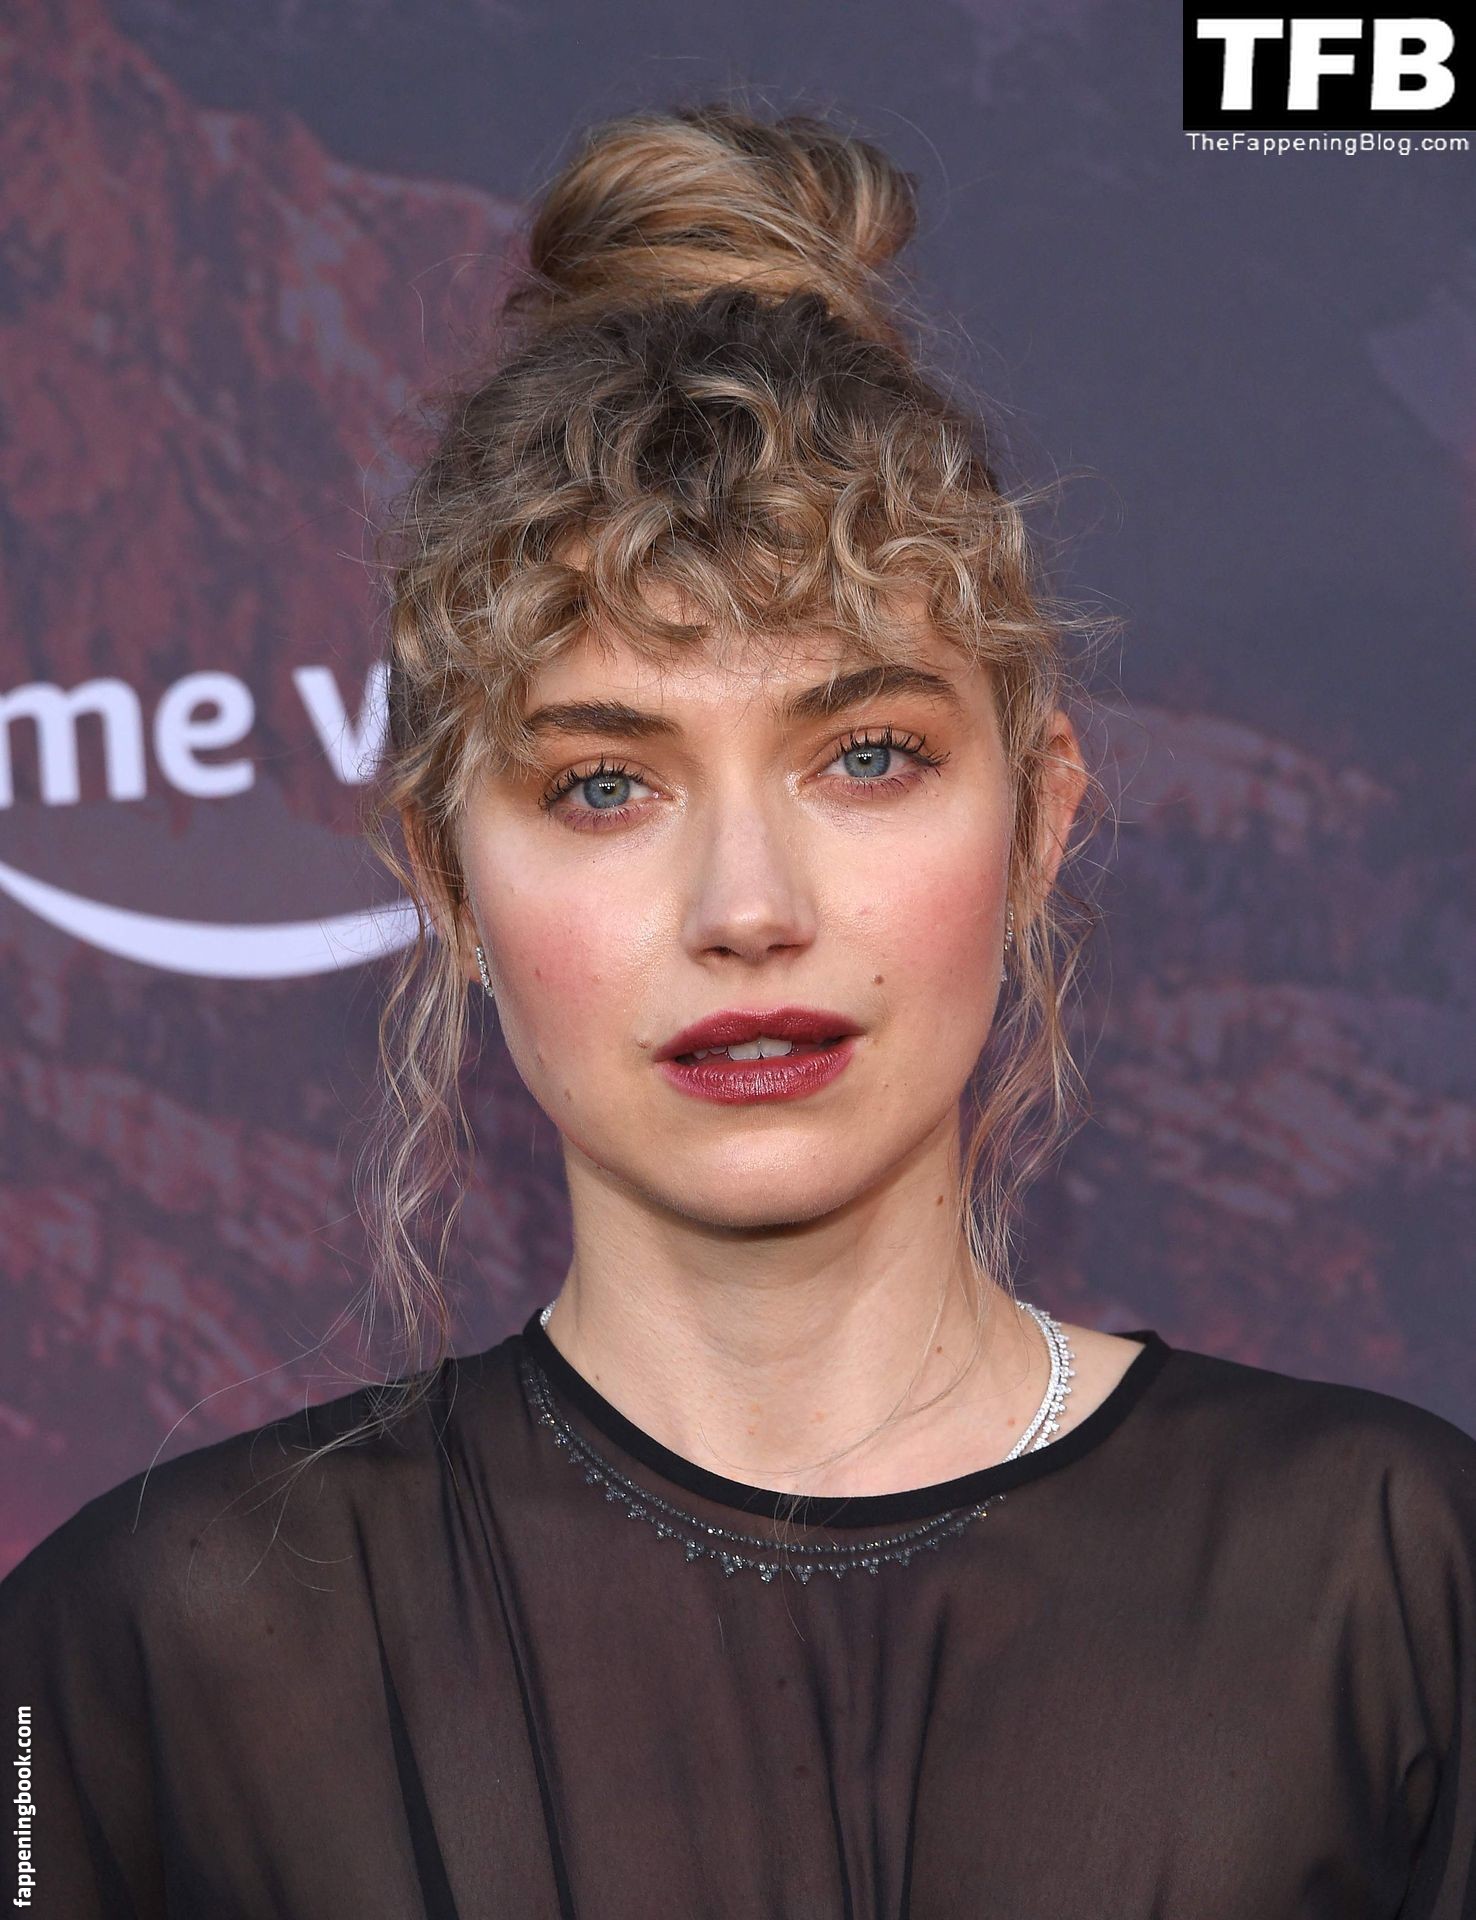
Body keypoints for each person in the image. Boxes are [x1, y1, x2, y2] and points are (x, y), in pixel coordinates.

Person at [2, 100, 1473, 1920]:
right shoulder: (141, 1654)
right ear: (447, 879)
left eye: (866, 756)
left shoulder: (1392, 1580)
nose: (749, 909)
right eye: (605, 786)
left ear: (1040, 820)